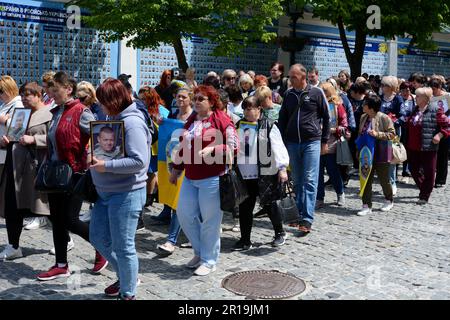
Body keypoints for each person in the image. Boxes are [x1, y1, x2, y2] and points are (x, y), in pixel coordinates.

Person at [36, 72, 108, 281]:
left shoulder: (82, 112)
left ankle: (102, 247)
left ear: (68, 89)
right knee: (56, 220)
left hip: (74, 173)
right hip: (56, 174)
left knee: (70, 219)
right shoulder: (56, 111)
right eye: (50, 90)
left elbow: (100, 138)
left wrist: (93, 158)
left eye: (56, 90)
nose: (52, 94)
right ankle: (61, 265)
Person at [90, 78, 151, 300]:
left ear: (114, 100)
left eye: (103, 101)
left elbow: (139, 162)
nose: (100, 106)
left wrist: (106, 165)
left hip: (126, 193)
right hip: (105, 192)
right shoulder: (112, 118)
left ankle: (128, 293)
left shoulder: (132, 122)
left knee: (124, 246)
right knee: (97, 237)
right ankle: (128, 276)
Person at [169, 85, 238, 276]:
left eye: (201, 99)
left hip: (212, 178)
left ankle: (209, 259)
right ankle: (200, 252)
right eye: (196, 98)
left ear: (212, 101)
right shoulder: (191, 120)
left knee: (210, 221)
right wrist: (176, 168)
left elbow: (234, 147)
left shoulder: (222, 119)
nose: (197, 102)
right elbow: (183, 145)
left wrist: (213, 150)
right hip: (190, 176)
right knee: (184, 215)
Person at [0, 82, 52, 260]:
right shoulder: (21, 113)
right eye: (22, 95)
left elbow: (55, 139)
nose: (23, 99)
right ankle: (13, 245)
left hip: (35, 167)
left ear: (38, 95)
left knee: (44, 207)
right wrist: (5, 141)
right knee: (12, 207)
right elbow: (13, 135)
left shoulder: (49, 113)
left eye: (27, 95)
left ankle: (65, 239)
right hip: (14, 164)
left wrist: (34, 139)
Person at [277, 64, 330, 236]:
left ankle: (307, 218)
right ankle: (298, 213)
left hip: (311, 142)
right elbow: (283, 119)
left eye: (293, 76)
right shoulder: (288, 94)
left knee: (309, 179)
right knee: (298, 180)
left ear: (303, 76)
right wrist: (282, 143)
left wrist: (324, 141)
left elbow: (326, 117)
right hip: (292, 143)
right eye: (290, 76)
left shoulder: (316, 93)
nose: (290, 79)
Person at [233, 96, 289, 250]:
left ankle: (280, 232)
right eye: (245, 108)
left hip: (265, 173)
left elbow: (278, 146)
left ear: (259, 109)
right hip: (244, 173)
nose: (247, 111)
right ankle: (245, 239)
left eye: (250, 108)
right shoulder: (239, 125)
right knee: (245, 207)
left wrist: (282, 168)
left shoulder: (268, 125)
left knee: (269, 204)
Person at [156, 87, 195, 255]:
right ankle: (193, 235)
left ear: (190, 99)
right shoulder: (173, 116)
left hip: (189, 164)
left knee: (178, 202)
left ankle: (171, 241)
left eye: (183, 97)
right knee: (179, 202)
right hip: (173, 163)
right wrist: (161, 123)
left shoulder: (194, 118)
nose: (180, 99)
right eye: (178, 97)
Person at [405, 87, 450, 204]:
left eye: (418, 96)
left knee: (429, 172)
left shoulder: (436, 110)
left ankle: (424, 195)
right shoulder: (415, 109)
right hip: (413, 146)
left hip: (428, 146)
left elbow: (447, 126)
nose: (415, 98)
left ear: (425, 98)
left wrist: (439, 135)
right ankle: (424, 187)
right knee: (413, 170)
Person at [356, 94, 396, 216]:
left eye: (365, 104)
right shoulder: (363, 117)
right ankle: (366, 205)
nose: (363, 106)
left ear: (371, 107)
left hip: (381, 153)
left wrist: (377, 134)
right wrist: (358, 150)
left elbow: (392, 134)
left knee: (384, 180)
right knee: (365, 179)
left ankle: (389, 200)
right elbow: (360, 134)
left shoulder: (384, 118)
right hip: (366, 154)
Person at [316, 82, 350, 209]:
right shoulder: (316, 105)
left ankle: (340, 193)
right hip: (317, 143)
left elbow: (345, 126)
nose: (321, 95)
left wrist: (332, 130)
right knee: (318, 173)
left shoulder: (337, 105)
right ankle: (319, 197)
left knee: (333, 171)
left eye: (323, 92)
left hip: (331, 143)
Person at [380, 76, 405, 196]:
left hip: (393, 133)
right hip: (380, 132)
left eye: (384, 85)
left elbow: (403, 116)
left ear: (390, 87)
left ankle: (392, 183)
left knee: (391, 158)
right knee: (382, 159)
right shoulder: (380, 98)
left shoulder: (398, 99)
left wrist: (392, 122)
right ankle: (385, 183)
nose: (382, 87)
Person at [0, 76, 24, 189]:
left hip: (7, 154)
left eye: (1, 91)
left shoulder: (18, 104)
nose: (0, 95)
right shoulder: (5, 104)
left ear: (9, 89)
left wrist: (5, 120)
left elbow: (19, 128)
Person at [429, 76, 450, 188]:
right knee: (432, 154)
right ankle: (430, 178)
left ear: (440, 87)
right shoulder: (430, 97)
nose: (433, 91)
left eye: (435, 89)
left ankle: (440, 179)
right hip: (433, 127)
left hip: (446, 127)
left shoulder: (447, 96)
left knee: (443, 154)